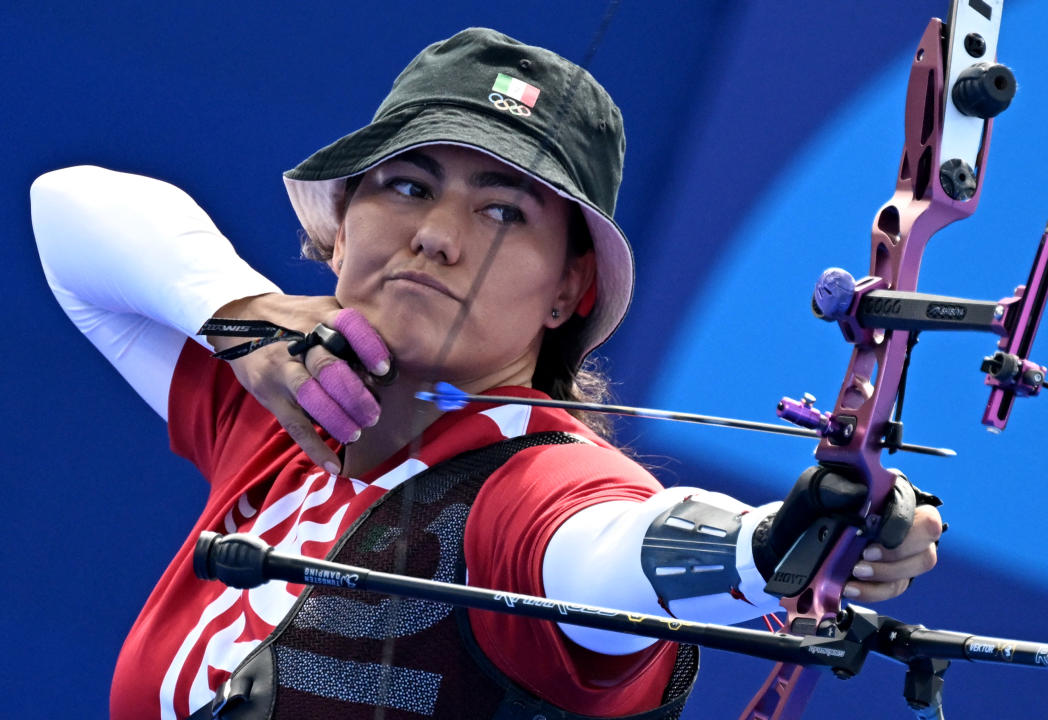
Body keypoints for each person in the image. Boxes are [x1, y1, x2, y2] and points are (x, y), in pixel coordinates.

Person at [31, 28, 942, 720]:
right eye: (409, 185)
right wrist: (244, 319)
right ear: (340, 224)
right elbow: (66, 210)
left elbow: (600, 549)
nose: (437, 234)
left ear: (567, 290)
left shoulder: (533, 483)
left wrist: (773, 543)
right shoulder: (284, 404)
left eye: (503, 212)